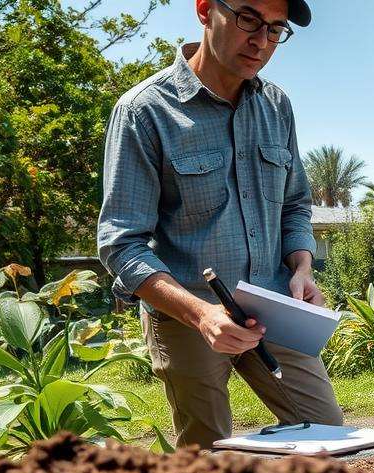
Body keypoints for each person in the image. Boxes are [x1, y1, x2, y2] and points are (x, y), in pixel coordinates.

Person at [97, 0, 343, 449]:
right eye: (249, 18)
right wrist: (202, 315)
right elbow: (121, 242)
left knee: (327, 436)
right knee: (207, 455)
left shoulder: (276, 106)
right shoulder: (144, 111)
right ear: (206, 10)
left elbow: (294, 204)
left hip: (271, 303)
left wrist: (302, 267)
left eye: (275, 29)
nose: (261, 40)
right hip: (187, 314)